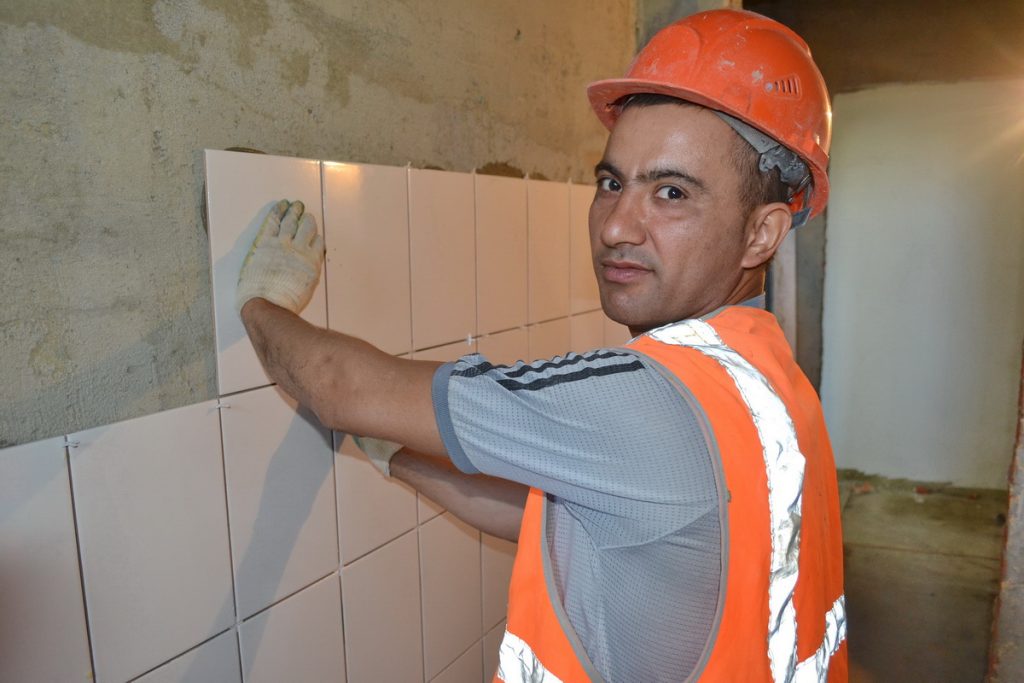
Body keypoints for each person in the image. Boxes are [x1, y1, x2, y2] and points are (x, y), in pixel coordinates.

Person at [236, 8, 847, 682]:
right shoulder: (769, 380)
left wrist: (262, 303)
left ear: (761, 234)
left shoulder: (646, 401)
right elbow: (563, 517)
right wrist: (389, 449)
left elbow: (339, 386)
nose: (616, 227)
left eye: (671, 193)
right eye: (612, 184)